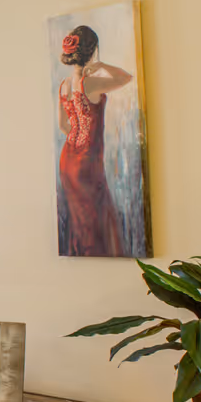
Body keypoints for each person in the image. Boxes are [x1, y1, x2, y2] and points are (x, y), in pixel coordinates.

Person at [56, 23, 133, 256]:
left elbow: (63, 125)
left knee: (81, 225)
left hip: (67, 161)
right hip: (87, 163)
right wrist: (100, 66)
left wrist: (77, 138)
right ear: (92, 51)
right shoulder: (90, 83)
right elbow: (126, 77)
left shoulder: (65, 85)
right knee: (95, 223)